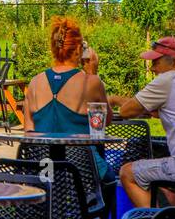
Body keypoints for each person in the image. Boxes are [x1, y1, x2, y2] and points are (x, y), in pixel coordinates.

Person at [23, 16, 112, 177]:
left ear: (53, 48)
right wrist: (92, 73)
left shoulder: (34, 83)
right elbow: (102, 126)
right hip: (82, 171)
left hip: (43, 173)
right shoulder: (91, 82)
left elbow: (29, 133)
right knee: (109, 177)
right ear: (79, 49)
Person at [108, 36, 175, 208]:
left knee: (127, 173)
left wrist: (113, 99)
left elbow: (126, 111)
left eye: (156, 62)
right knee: (168, 188)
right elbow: (156, 111)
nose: (153, 68)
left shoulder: (168, 79)